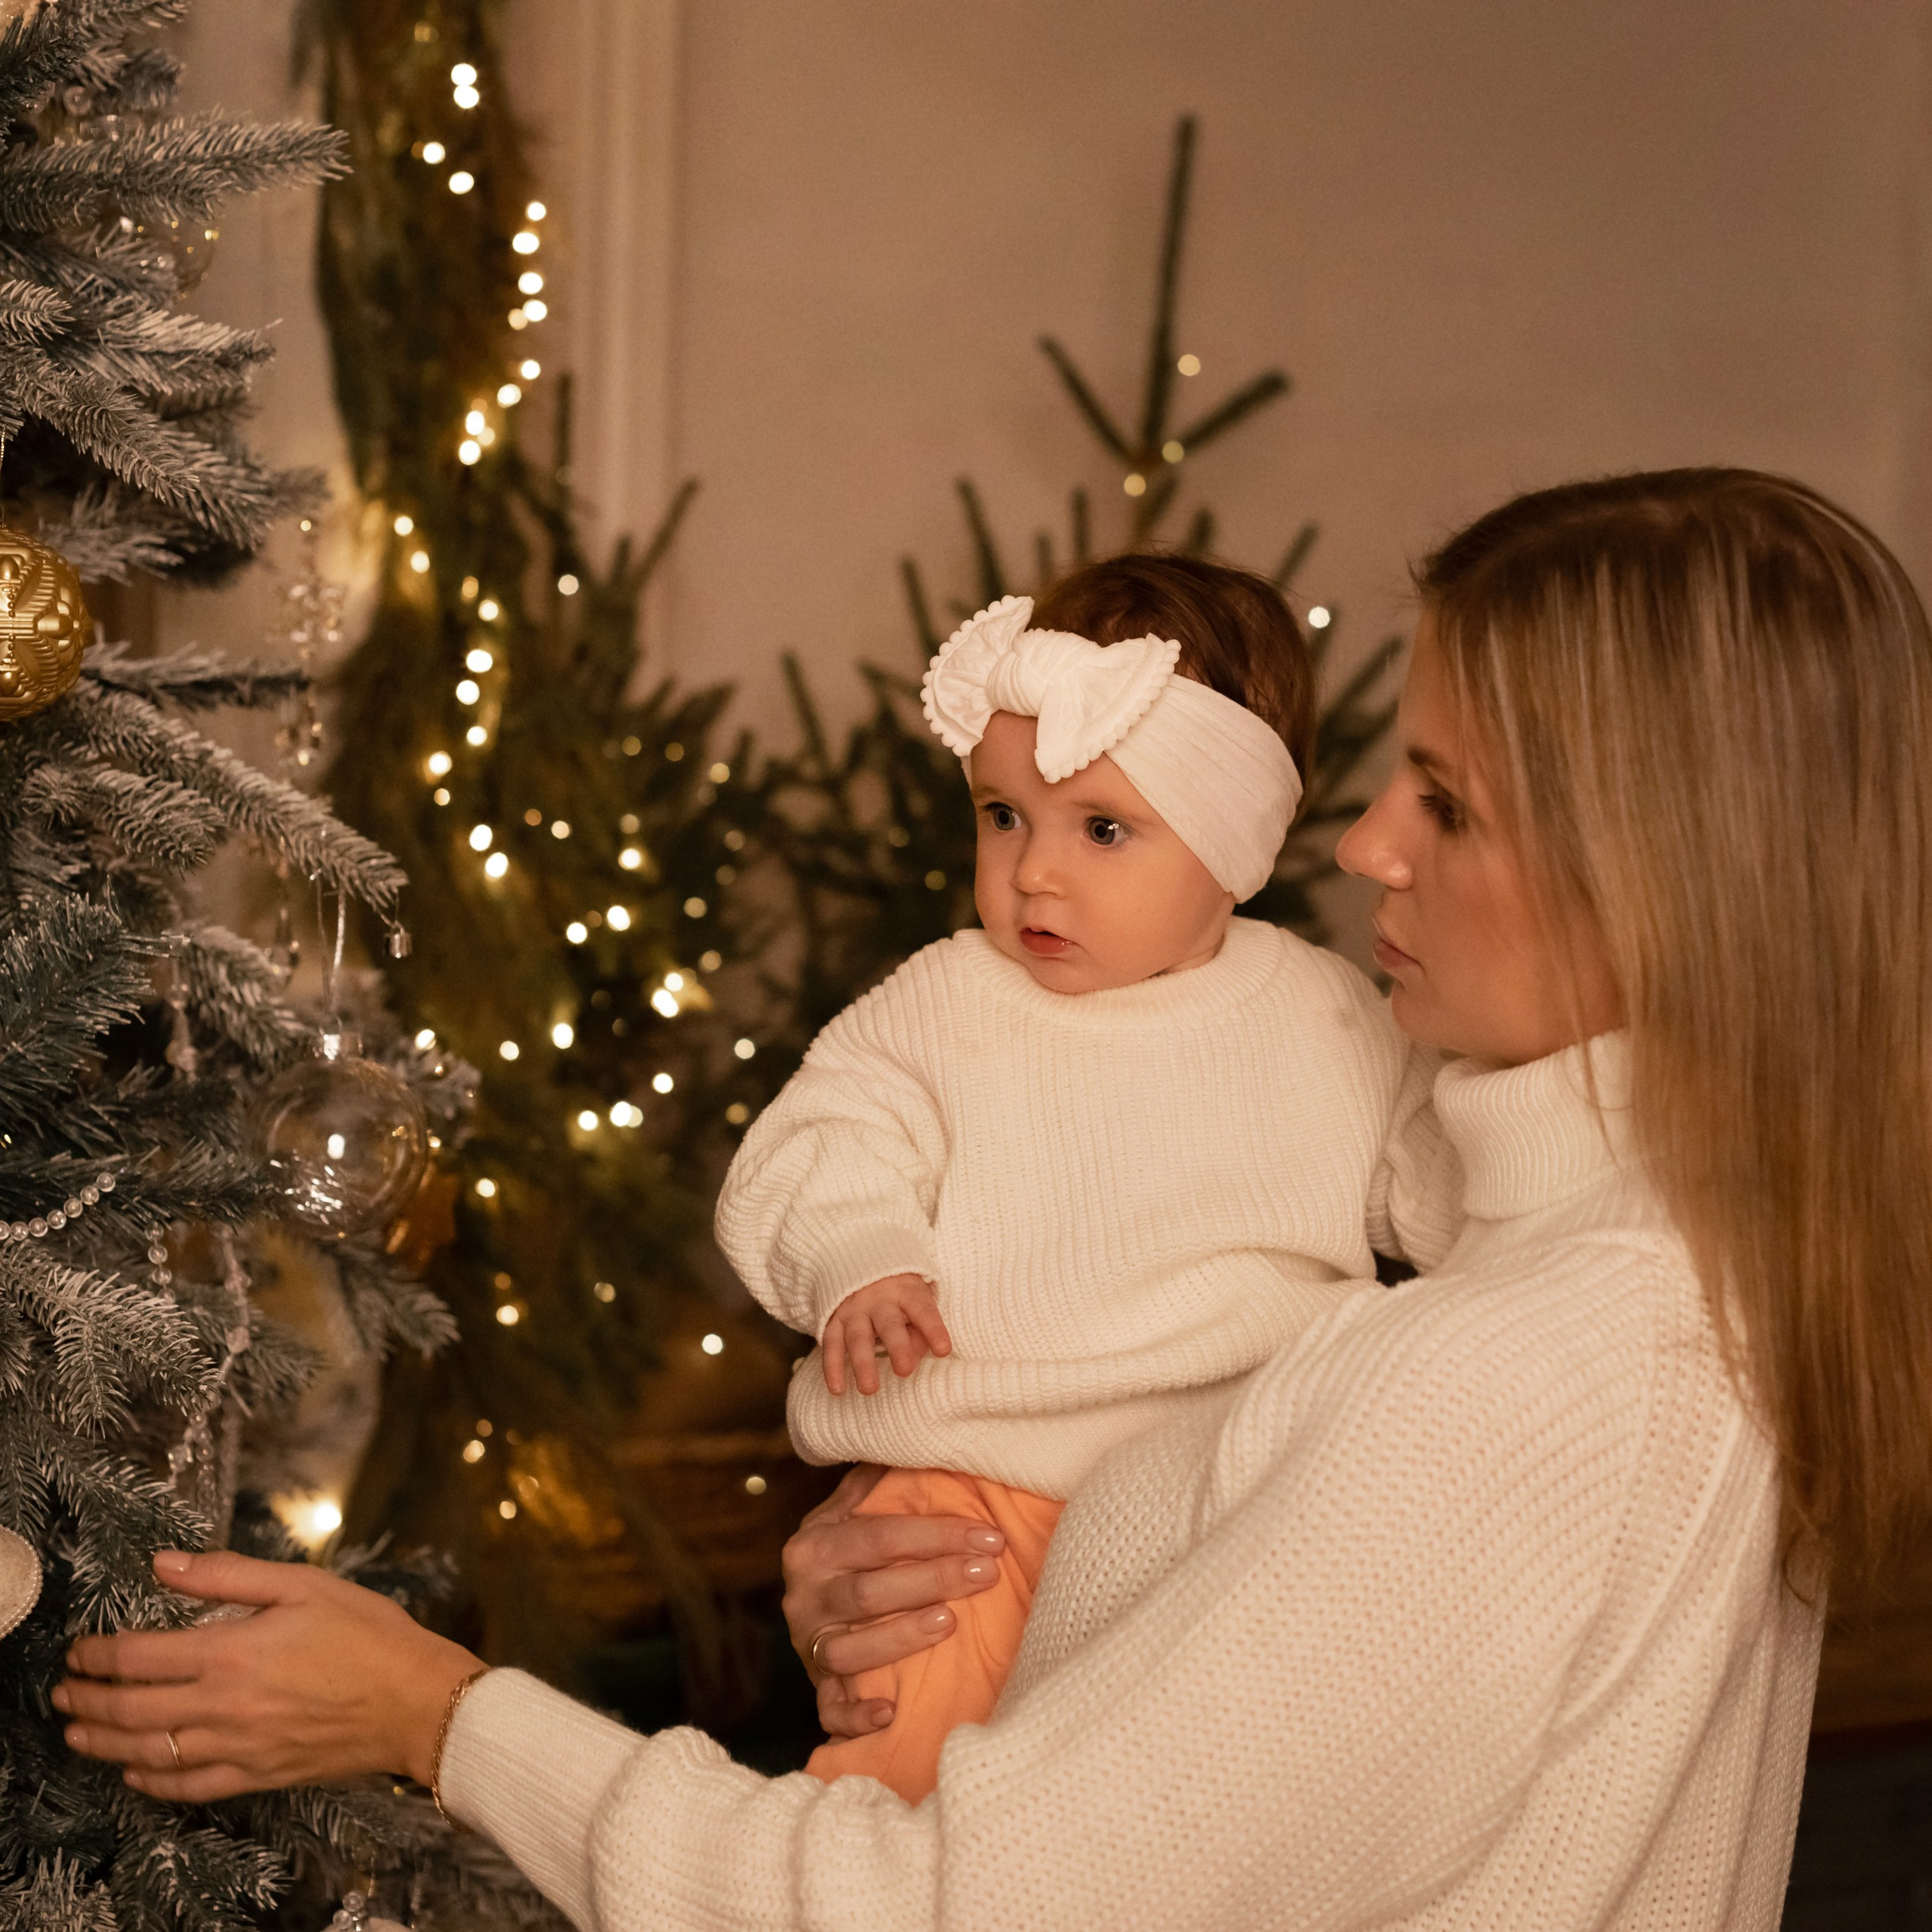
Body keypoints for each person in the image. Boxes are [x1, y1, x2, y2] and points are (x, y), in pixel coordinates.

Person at [55, 469, 1932, 1932]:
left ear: (1657, 876)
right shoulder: (1676, 1274)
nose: (1361, 845)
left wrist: (434, 1711)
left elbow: (937, 1906)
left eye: (1444, 800)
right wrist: (923, 1568)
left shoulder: (1517, 1382)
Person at [716, 553, 1455, 1800]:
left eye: (1103, 829)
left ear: (1233, 846)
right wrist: (863, 1252)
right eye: (1003, 815)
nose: (1034, 873)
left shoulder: (1334, 1019)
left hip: (1230, 1507)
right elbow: (817, 1142)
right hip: (968, 1502)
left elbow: (1451, 1191)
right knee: (904, 1803)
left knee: (1170, 1812)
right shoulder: (951, 1002)